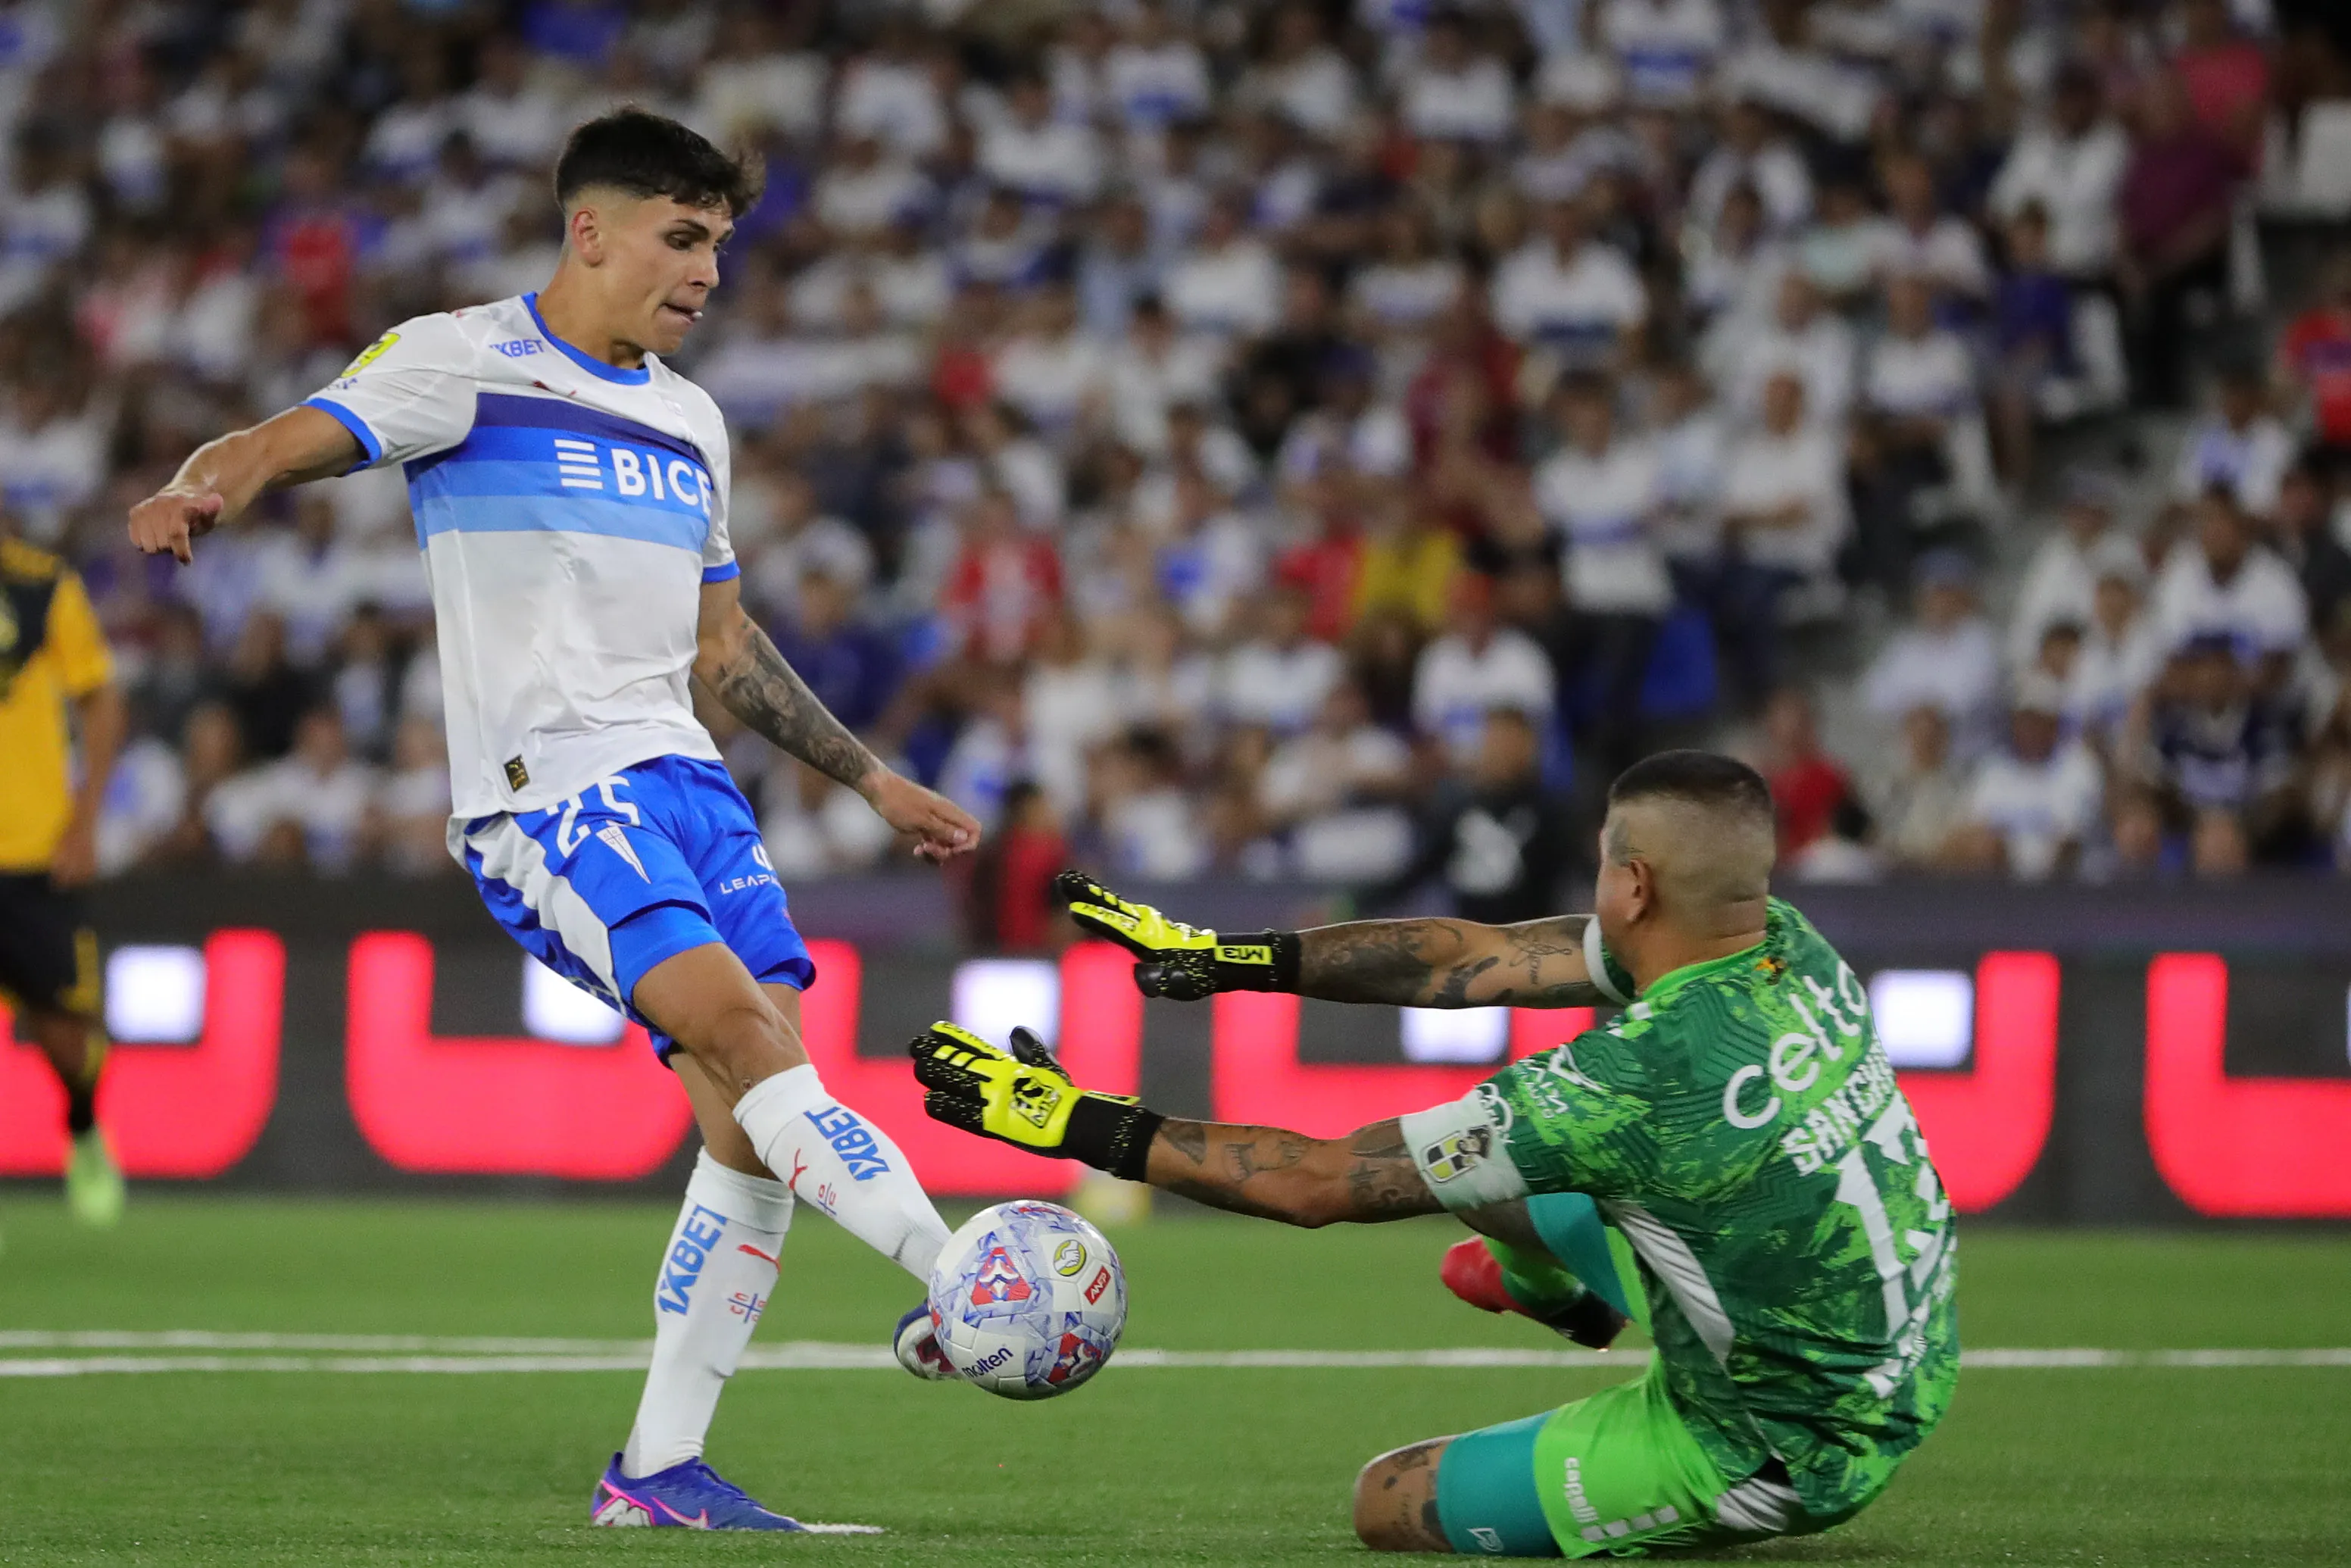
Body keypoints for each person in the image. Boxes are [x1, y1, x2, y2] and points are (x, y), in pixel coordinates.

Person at [125, 110, 982, 1532]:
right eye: (683, 237)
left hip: (689, 789)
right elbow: (281, 436)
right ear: (590, 230)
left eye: (721, 245)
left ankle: (654, 1474)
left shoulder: (689, 417)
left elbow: (723, 651)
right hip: (551, 793)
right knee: (751, 1043)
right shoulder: (463, 361)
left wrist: (869, 780)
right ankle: (963, 1287)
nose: (709, 271)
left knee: (746, 1117)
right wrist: (198, 484)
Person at [912, 751, 1954, 1557]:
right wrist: (1236, 959)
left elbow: (1320, 1181)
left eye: (1602, 861)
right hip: (1911, 1366)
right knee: (1482, 1158)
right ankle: (1572, 1300)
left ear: (1633, 884)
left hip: (1778, 1447)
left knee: (1387, 1498)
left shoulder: (1627, 1083)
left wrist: (1078, 1122)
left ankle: (1620, 1368)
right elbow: (1478, 958)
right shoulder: (1785, 942)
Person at [0, 516, 128, 1226]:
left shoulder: (41, 586)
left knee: (68, 1039)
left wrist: (84, 821)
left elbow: (102, 697)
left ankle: (82, 1128)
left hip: (30, 853)